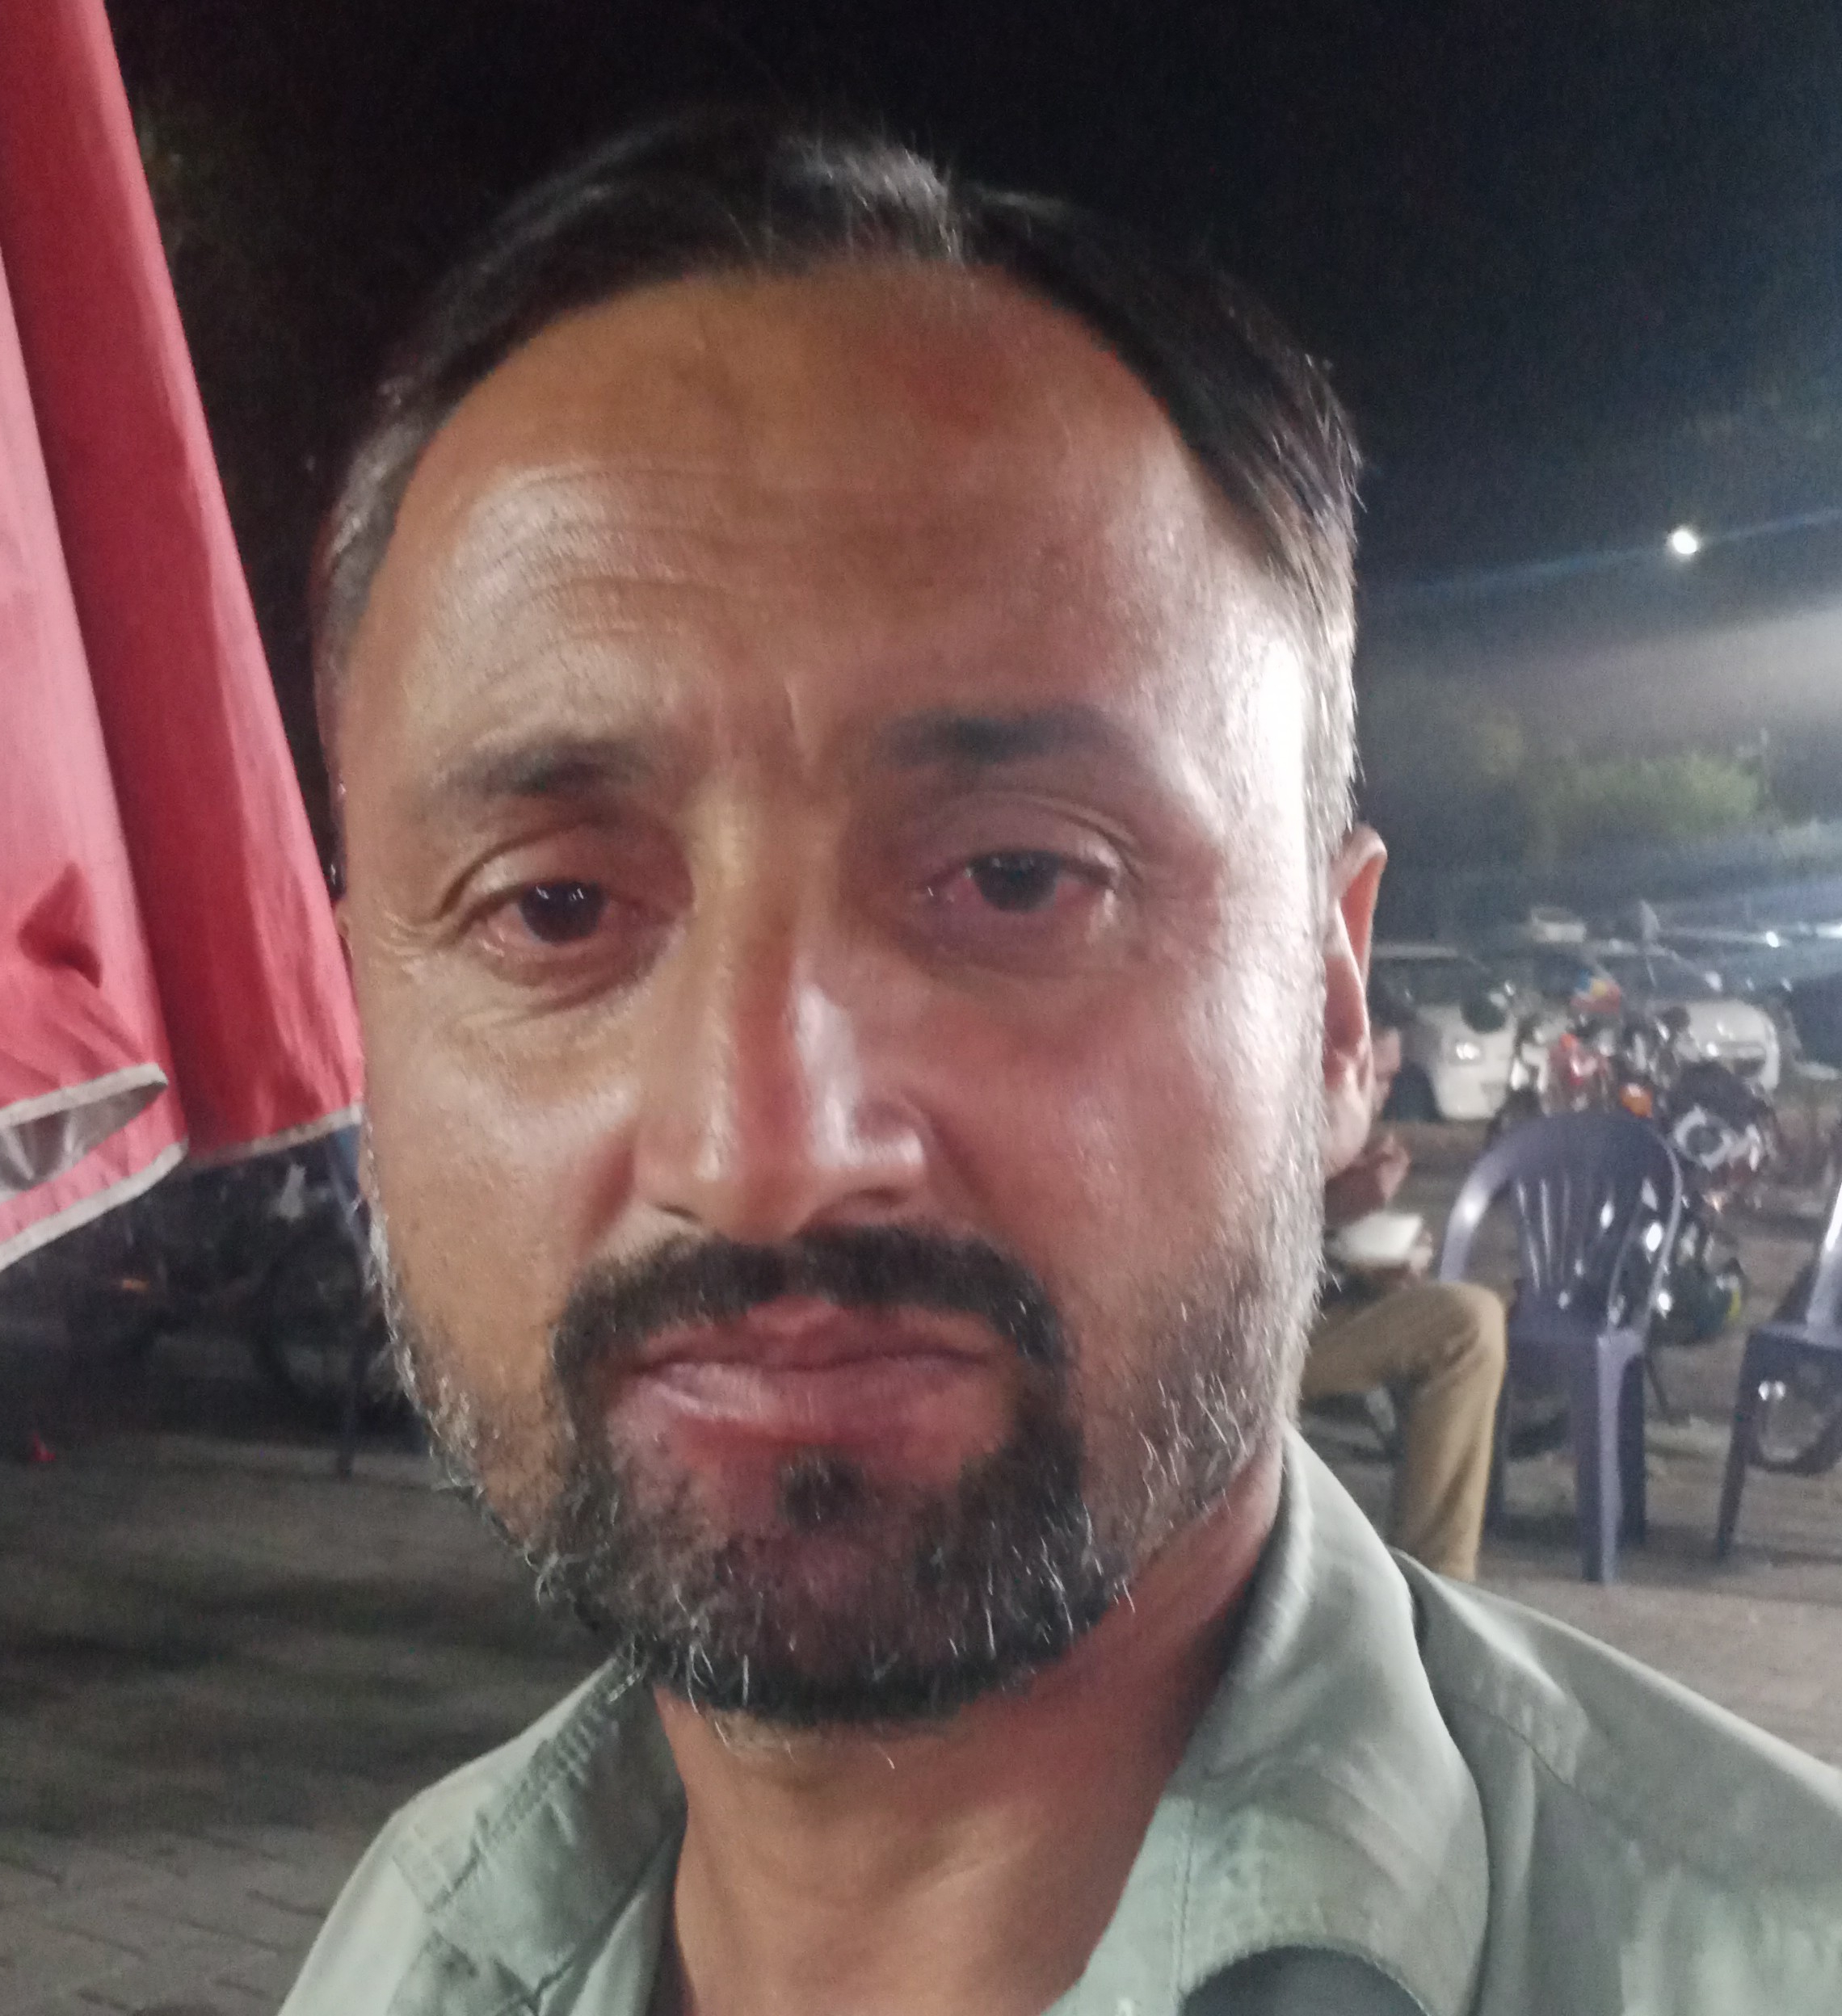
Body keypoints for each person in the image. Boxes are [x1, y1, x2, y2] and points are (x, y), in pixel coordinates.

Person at [284, 114, 1842, 2016]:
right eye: (553, 907)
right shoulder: (409, 1948)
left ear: (1333, 1004)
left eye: (1018, 878)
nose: (763, 1149)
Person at [1302, 1010, 1508, 1578]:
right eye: (1376, 1074)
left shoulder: (1346, 1138)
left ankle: (1436, 1587)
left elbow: (1325, 1264)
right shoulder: (1256, 1119)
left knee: (1469, 1320)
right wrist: (1327, 1207)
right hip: (1235, 1344)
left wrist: (1368, 1265)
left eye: (1393, 1077)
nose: (1384, 1093)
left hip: (1319, 1318)